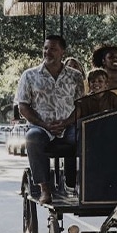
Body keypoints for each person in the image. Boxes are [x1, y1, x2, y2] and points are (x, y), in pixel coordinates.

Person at [15, 35, 85, 204]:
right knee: (32, 138)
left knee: (85, 137)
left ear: (62, 52)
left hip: (68, 125)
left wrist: (67, 122)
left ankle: (83, 186)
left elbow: (81, 105)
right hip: (41, 126)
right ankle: (45, 189)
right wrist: (44, 124)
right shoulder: (29, 75)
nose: (48, 52)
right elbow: (23, 106)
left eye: (53, 49)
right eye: (46, 48)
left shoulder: (75, 76)